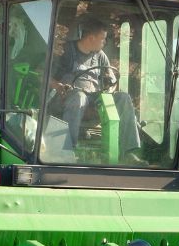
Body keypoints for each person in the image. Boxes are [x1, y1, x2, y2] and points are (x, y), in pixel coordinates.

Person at [50, 18, 141, 160]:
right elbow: (43, 75)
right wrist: (58, 86)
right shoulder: (66, 51)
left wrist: (109, 93)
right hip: (67, 99)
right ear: (91, 38)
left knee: (123, 97)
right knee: (79, 97)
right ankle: (68, 151)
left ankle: (129, 152)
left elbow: (112, 81)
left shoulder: (101, 56)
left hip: (94, 102)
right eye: (103, 39)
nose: (105, 42)